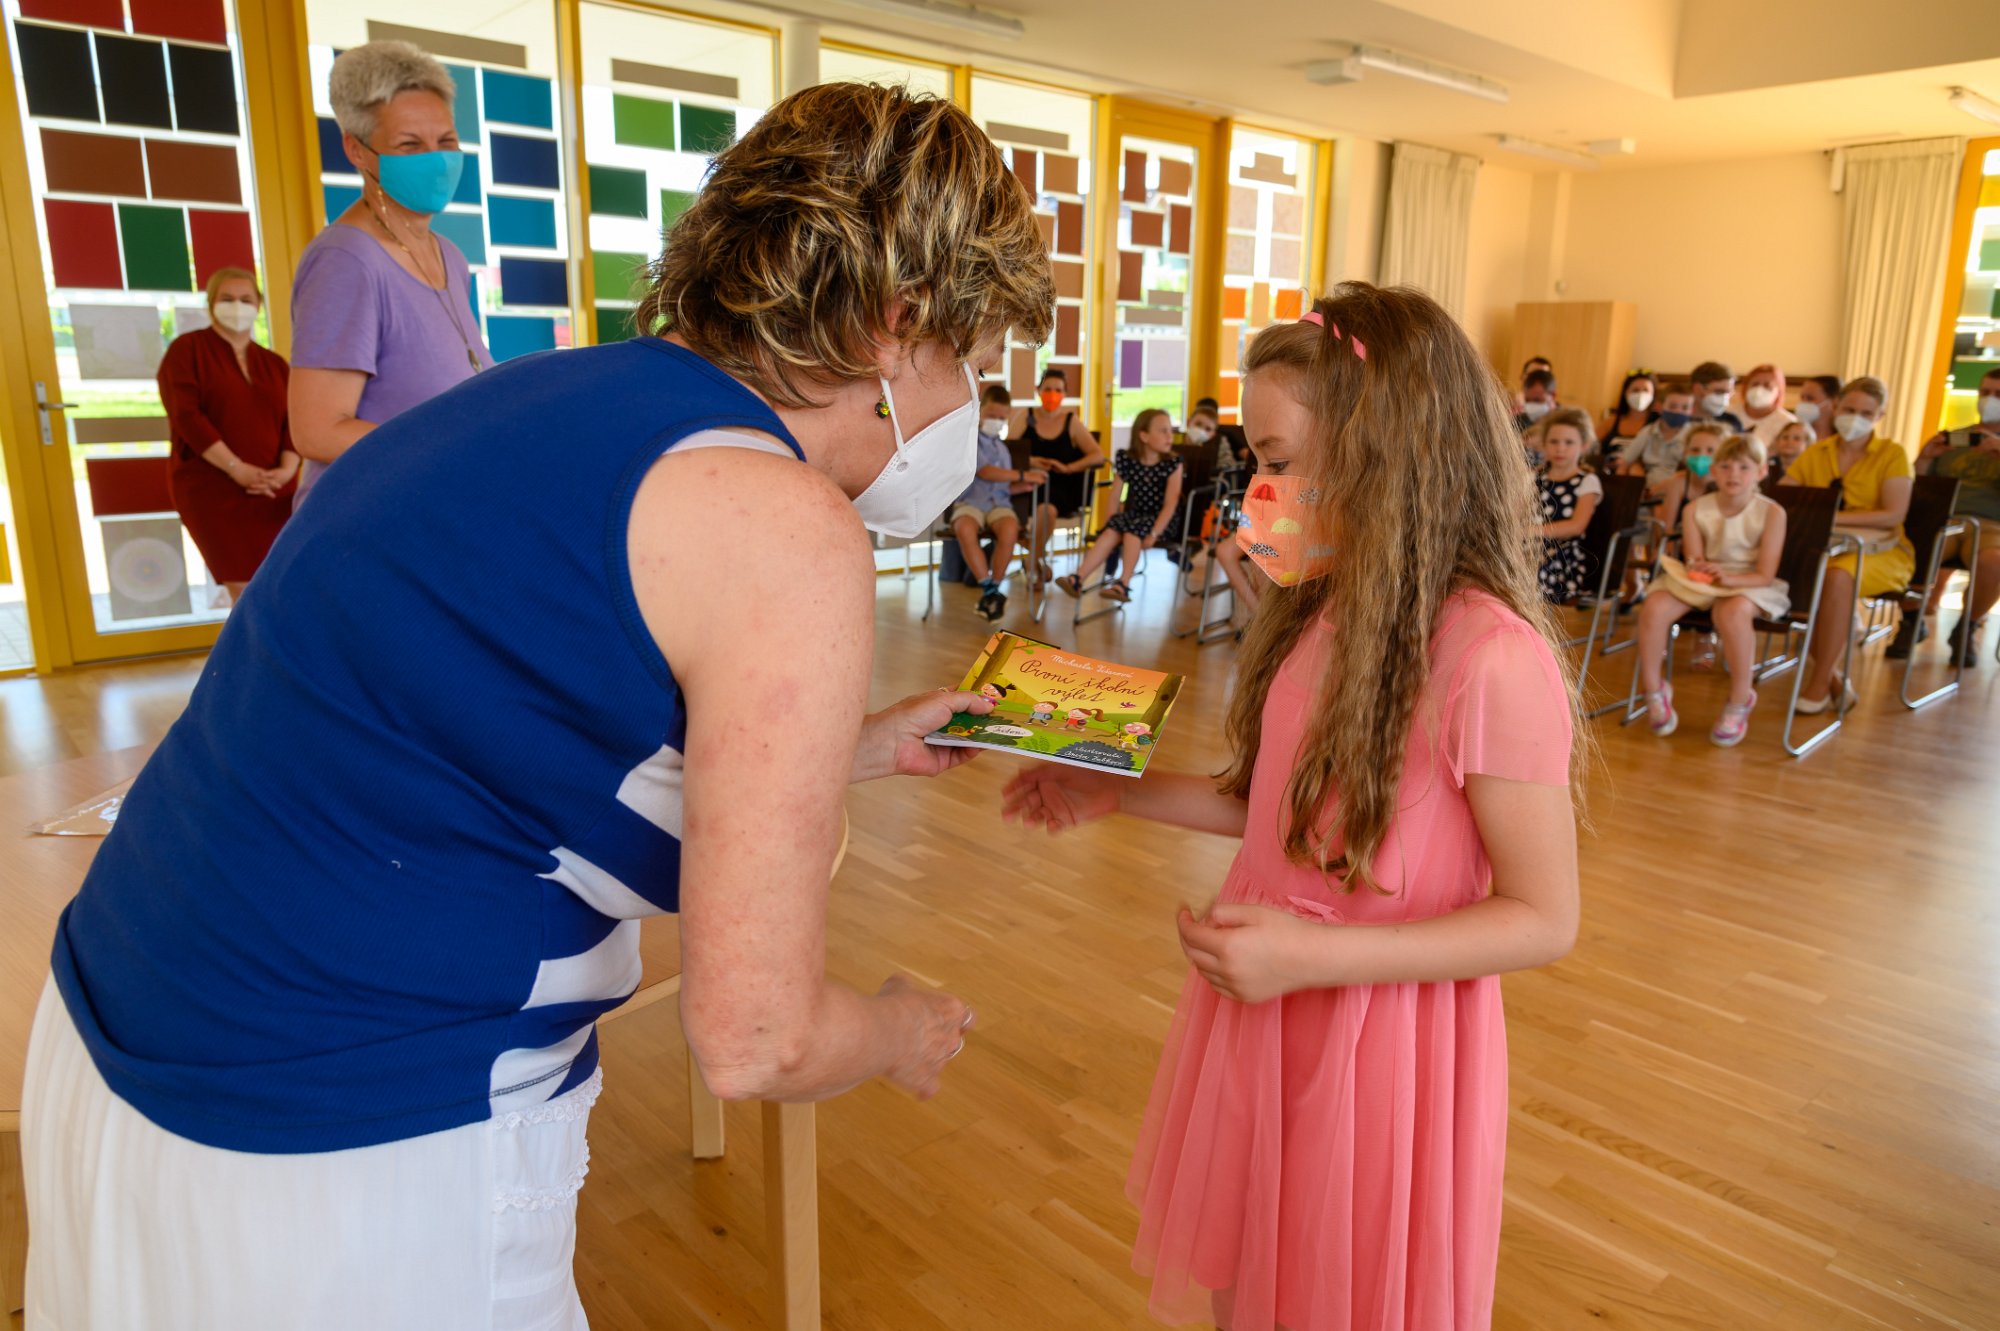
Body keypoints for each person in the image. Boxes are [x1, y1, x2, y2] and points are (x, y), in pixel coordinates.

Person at [24, 82, 1051, 1329]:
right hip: (339, 1149)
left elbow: (497, 726)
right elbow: (758, 1037)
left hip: (110, 1043)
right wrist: (895, 1028)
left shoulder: (536, 397)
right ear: (898, 324)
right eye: (971, 360)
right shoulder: (783, 521)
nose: (967, 403)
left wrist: (860, 746)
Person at [1003, 284, 1581, 1331]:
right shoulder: (1323, 609)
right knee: (1252, 1274)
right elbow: (1285, 812)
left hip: (1378, 1030)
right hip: (1268, 995)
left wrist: (1311, 956)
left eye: (1276, 461)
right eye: (1254, 463)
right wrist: (1114, 787)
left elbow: (1543, 917)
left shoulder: (1491, 658)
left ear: (1383, 453)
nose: (1258, 497)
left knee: (1338, 1289)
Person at [287, 41, 494, 506]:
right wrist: (447, 448)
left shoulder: (449, 256)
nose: (436, 159)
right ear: (357, 151)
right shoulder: (346, 259)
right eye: (409, 145)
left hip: (431, 507)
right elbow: (317, 430)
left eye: (446, 142)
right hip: (367, 519)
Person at [1635, 435, 1790, 747]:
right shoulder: (1695, 509)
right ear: (1714, 471)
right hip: (1706, 579)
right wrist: (1703, 569)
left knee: (1731, 612)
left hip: (1749, 582)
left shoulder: (1773, 513)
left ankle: (1740, 697)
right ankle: (1653, 688)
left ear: (1761, 472)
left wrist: (1730, 580)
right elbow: (1695, 559)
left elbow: (1765, 574)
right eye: (1726, 466)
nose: (1734, 474)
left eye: (1744, 467)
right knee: (1654, 605)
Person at [157, 267, 298, 602]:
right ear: (211, 304)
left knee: (278, 582)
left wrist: (287, 470)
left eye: (246, 299)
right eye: (228, 298)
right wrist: (236, 468)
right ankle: (248, 640)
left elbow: (292, 420)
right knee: (243, 589)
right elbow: (187, 417)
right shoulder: (186, 351)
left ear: (258, 305)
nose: (237, 306)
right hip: (213, 487)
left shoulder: (274, 364)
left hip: (273, 490)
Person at [1780, 375, 1913, 713]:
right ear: (1836, 407)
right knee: (1805, 576)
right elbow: (1783, 497)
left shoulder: (1892, 454)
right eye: (1850, 409)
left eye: (1866, 414)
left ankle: (1818, 683)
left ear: (1879, 416)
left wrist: (1830, 518)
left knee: (1836, 577)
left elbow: (1892, 514)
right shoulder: (1816, 452)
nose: (1856, 418)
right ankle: (1835, 680)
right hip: (1825, 547)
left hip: (1882, 552)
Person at [1904, 365, 2000, 663]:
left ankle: (1967, 627)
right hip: (1945, 519)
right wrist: (1925, 457)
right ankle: (1910, 621)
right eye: (1984, 392)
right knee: (1912, 547)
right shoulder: (1955, 439)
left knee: (1994, 561)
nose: (1989, 400)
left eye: (1998, 394)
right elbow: (1916, 489)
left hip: (1991, 525)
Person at [1056, 408, 1183, 603]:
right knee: (1112, 530)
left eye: (1170, 430)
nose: (1169, 436)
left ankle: (1123, 584)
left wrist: (1154, 534)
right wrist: (1110, 523)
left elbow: (1171, 502)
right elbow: (1115, 495)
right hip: (1135, 515)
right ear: (1144, 436)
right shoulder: (1128, 459)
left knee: (1131, 531)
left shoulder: (1173, 463)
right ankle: (1078, 578)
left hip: (1162, 521)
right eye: (1163, 431)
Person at [951, 385, 1043, 620]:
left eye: (1002, 418)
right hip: (971, 501)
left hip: (999, 504)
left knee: (1010, 529)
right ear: (980, 412)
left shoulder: (1003, 449)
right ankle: (988, 588)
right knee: (964, 528)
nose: (996, 421)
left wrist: (1021, 487)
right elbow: (986, 472)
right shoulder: (970, 440)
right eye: (992, 415)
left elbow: (1002, 485)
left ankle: (994, 588)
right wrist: (1022, 475)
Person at [1015, 366, 1106, 582]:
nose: (1052, 394)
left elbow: (1098, 456)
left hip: (1062, 489)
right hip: (1028, 485)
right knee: (1032, 508)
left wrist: (1069, 467)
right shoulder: (1025, 416)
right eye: (1048, 389)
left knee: (1047, 510)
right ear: (1038, 390)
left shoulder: (1071, 421)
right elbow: (1008, 451)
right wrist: (1033, 461)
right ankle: (1035, 560)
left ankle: (1031, 561)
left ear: (1065, 394)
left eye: (1058, 390)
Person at [1535, 407, 1602, 602]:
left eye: (1569, 442)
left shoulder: (1587, 481)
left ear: (1584, 446)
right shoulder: (1534, 479)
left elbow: (1576, 526)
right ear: (1544, 444)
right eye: (1554, 442)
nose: (1560, 448)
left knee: (1525, 569)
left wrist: (1531, 531)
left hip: (1562, 557)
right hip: (1528, 546)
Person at [1618, 385, 1697, 498]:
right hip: (1645, 491)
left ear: (1692, 410)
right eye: (1673, 406)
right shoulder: (1648, 432)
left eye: (1685, 408)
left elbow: (1694, 473)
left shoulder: (1695, 436)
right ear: (1659, 407)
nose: (1678, 411)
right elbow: (1625, 462)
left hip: (1677, 493)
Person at [1659, 419, 1729, 536]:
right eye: (1695, 450)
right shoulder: (1677, 483)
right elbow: (1666, 528)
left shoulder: (1728, 485)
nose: (1701, 455)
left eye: (1710, 450)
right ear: (1685, 452)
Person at [1593, 370, 1658, 467]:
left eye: (1645, 390)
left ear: (1653, 394)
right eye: (1635, 390)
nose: (1640, 394)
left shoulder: (1658, 423)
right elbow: (1589, 443)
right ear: (1625, 393)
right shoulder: (1611, 421)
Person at [1738, 363, 1795, 447]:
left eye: (1767, 386)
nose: (1759, 390)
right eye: (1755, 384)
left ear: (1778, 391)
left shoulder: (1788, 423)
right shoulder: (1729, 414)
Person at [1691, 360, 1746, 432]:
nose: (1724, 398)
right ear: (1697, 388)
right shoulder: (1679, 420)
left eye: (1728, 393)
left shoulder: (1731, 421)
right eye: (1719, 392)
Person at [1796, 373, 1842, 441]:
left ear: (1834, 402)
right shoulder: (1791, 437)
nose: (1804, 403)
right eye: (1802, 398)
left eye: (1810, 398)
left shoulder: (1842, 440)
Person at [1768, 418, 1815, 485]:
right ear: (1777, 441)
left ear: (1808, 444)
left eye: (1796, 438)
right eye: (1785, 437)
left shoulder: (1811, 470)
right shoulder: (1768, 467)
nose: (1789, 442)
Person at [1513, 366, 1558, 431]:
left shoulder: (1565, 422)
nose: (1531, 405)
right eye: (1527, 400)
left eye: (1537, 400)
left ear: (1553, 396)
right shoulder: (1519, 420)